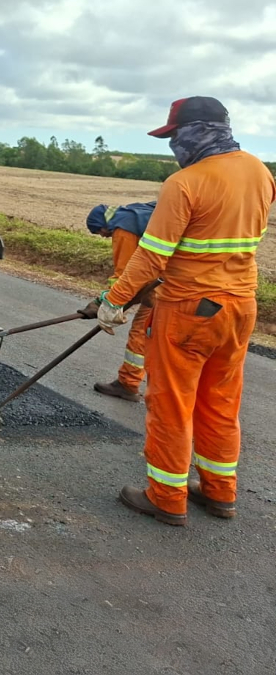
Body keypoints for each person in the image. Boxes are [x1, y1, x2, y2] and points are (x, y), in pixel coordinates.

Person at [97, 97, 276, 527]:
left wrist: (114, 301)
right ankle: (219, 491)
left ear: (195, 131)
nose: (173, 144)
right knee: (220, 402)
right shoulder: (261, 173)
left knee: (172, 404)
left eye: (175, 135)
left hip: (189, 310)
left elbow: (151, 258)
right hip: (240, 307)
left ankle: (166, 497)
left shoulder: (185, 182)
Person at [86, 201, 157, 402]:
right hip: (170, 283)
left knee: (142, 334)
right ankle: (131, 383)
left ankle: (128, 384)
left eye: (99, 232)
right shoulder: (138, 211)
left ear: (103, 224)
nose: (103, 236)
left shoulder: (124, 228)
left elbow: (124, 275)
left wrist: (103, 302)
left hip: (163, 290)